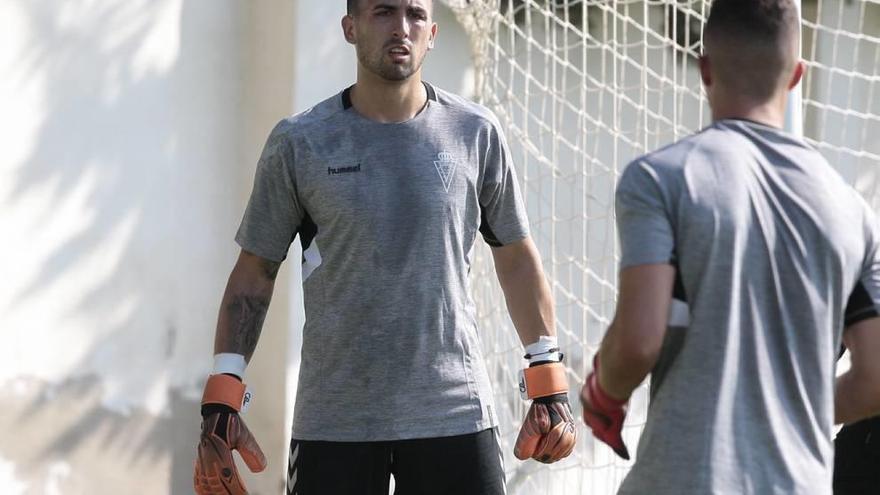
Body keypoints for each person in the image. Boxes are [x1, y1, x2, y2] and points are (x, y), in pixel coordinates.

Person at [192, 1, 577, 494]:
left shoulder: (475, 132)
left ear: (433, 32)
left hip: (453, 412)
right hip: (334, 421)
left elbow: (517, 258)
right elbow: (254, 274)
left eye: (416, 15)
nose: (401, 28)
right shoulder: (299, 142)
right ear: (350, 27)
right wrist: (223, 394)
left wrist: (546, 376)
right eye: (383, 12)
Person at [578, 0, 880, 493]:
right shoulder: (853, 212)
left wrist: (603, 393)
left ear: (705, 69)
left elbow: (637, 341)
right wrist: (786, 411)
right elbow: (874, 379)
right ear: (797, 75)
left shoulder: (661, 179)